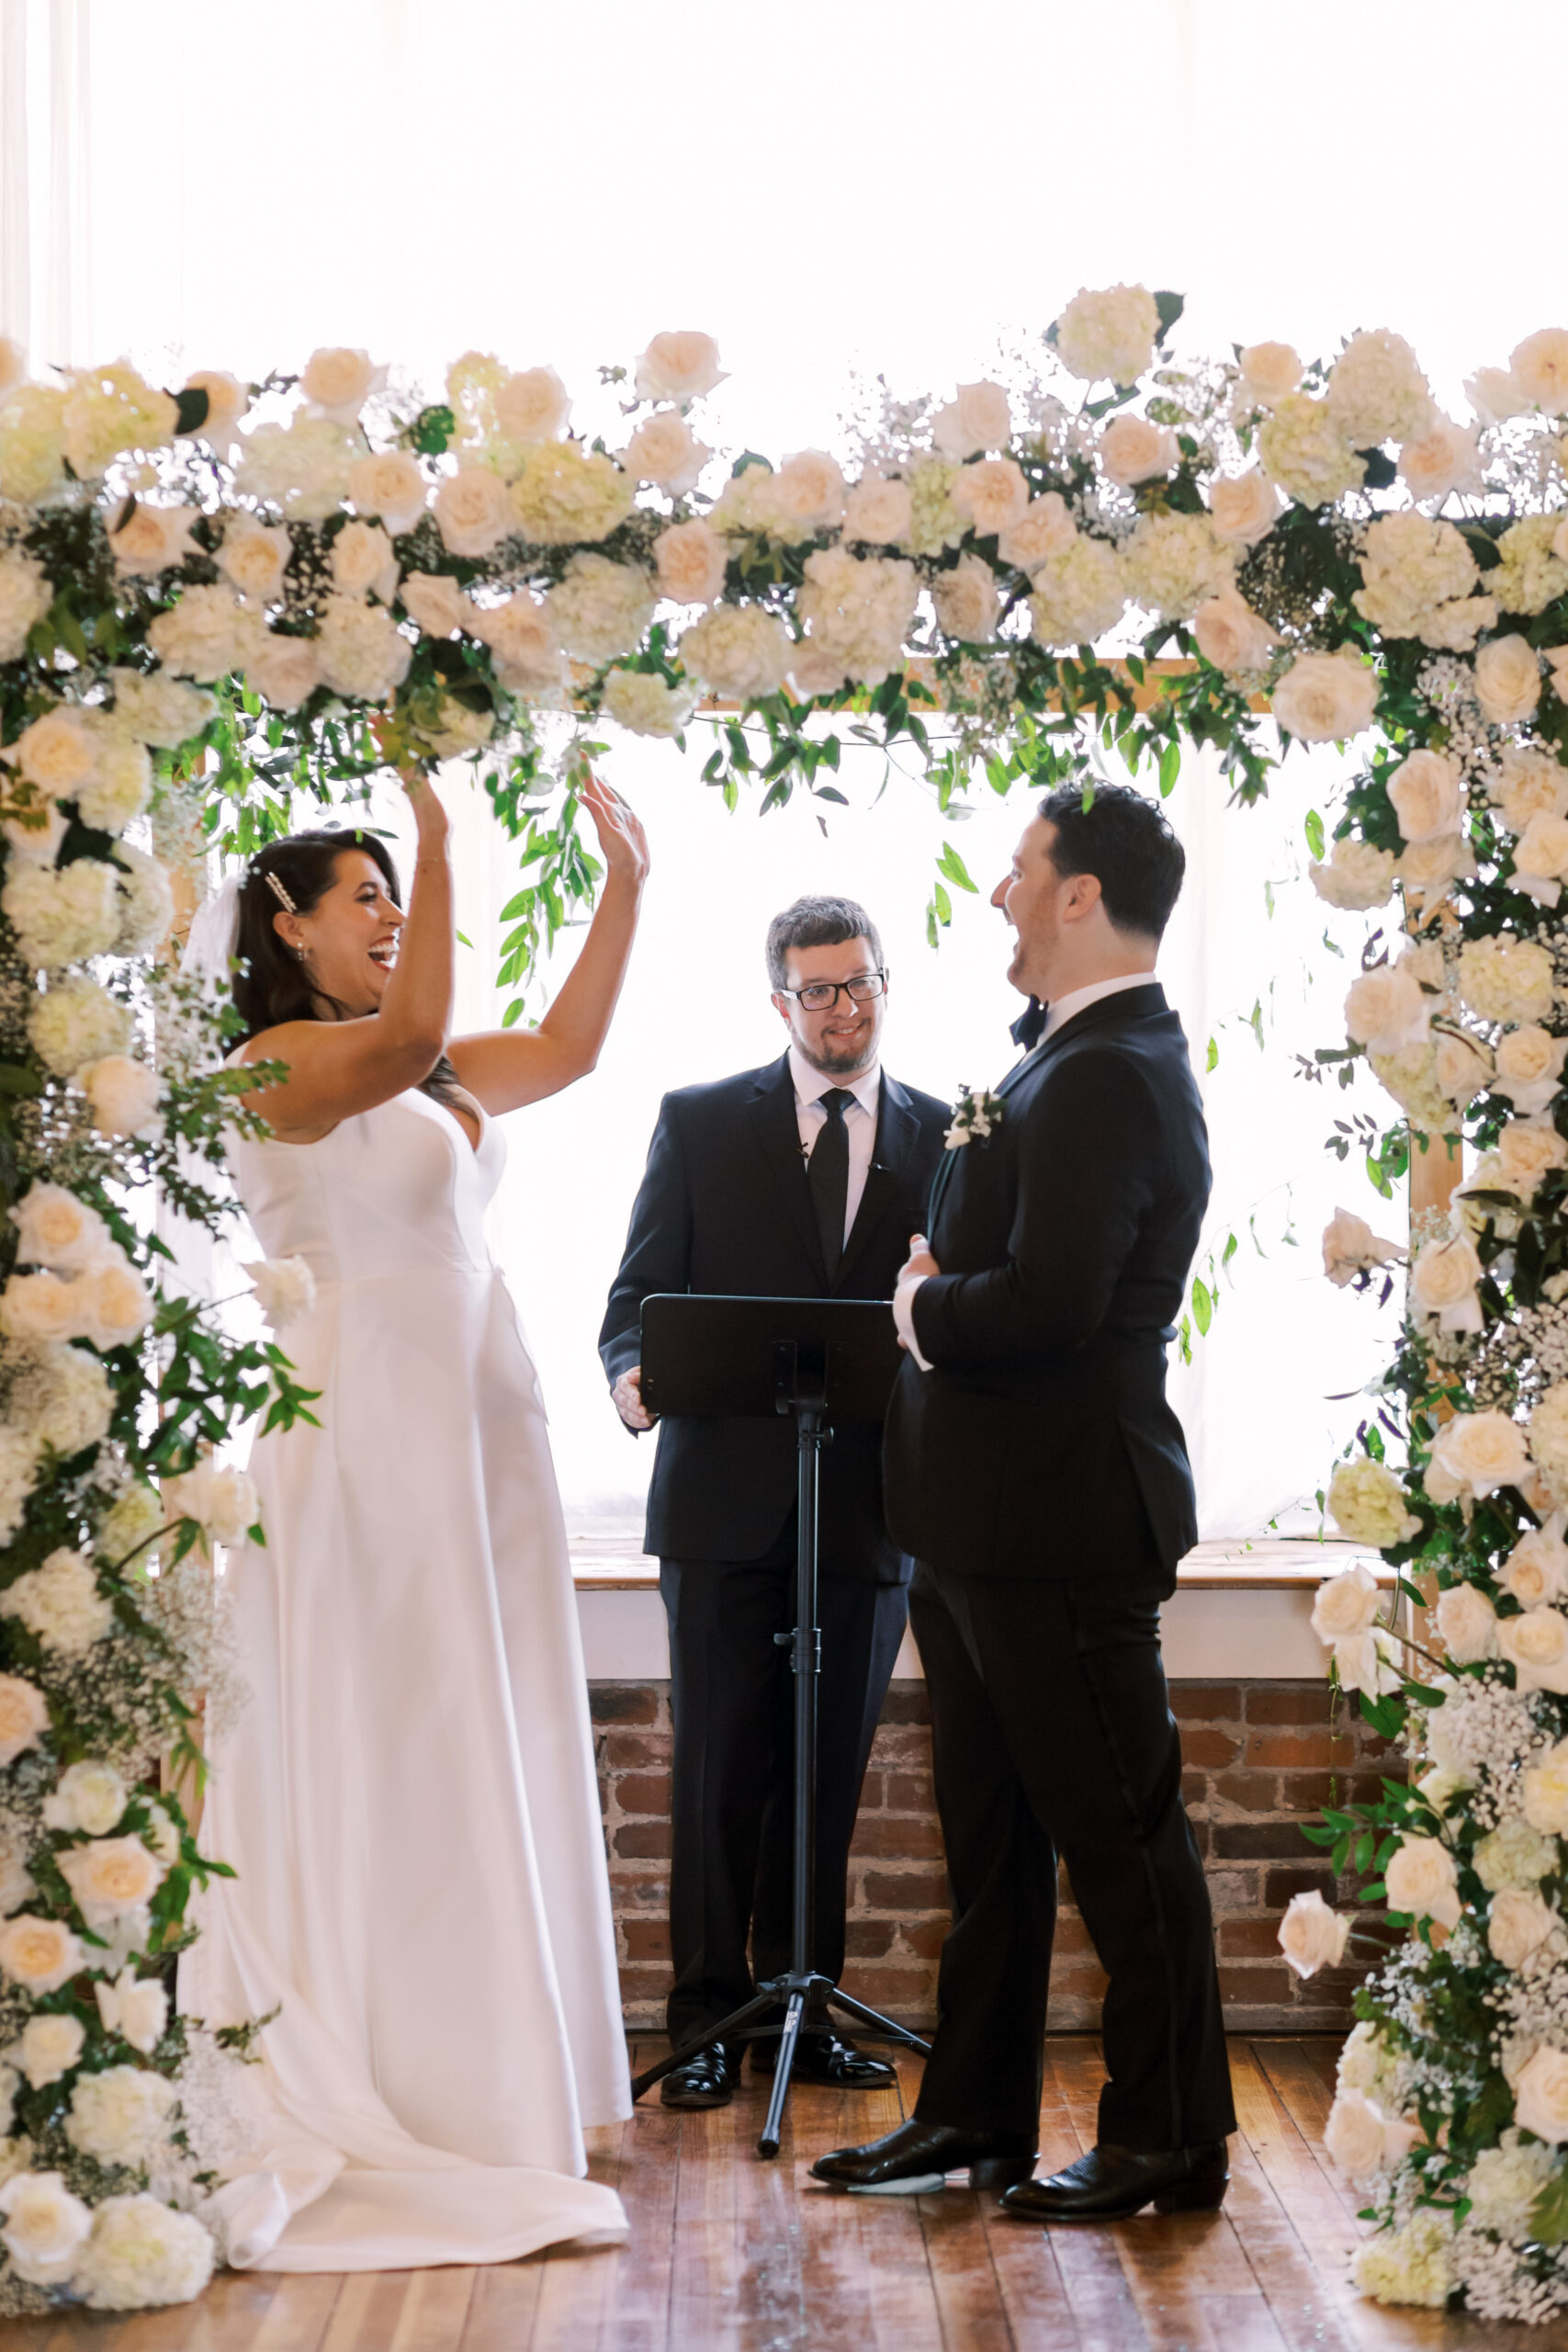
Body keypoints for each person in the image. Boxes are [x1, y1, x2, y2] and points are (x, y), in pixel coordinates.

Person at [179, 769, 649, 2271]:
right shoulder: (272, 1063)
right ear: (285, 925)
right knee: (389, 1721)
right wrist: (442, 839)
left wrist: (625, 886)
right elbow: (410, 1038)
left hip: (469, 1423)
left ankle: (483, 2077)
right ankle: (388, 2071)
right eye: (363, 898)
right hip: (362, 1423)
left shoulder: (419, 1074)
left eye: (397, 894)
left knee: (474, 1718)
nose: (388, 918)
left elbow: (568, 1053)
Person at [812, 785, 1236, 2219]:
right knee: (991, 1850)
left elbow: (1058, 1307)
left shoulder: (1117, 1069)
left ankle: (1169, 2132)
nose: (997, 891)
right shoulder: (1063, 1059)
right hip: (975, 1525)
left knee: (1123, 1841)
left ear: (1077, 895)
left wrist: (927, 1307)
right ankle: (974, 2118)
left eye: (1018, 870)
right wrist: (946, 1279)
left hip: (1062, 1524)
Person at [599, 897, 948, 2109]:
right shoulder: (698, 1123)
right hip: (720, 1509)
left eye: (862, 984)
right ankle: (704, 2019)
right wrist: (630, 1376)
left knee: (825, 1775)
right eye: (820, 991)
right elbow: (636, 1299)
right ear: (778, 1003)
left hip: (869, 1515)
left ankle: (806, 2000)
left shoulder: (949, 1136)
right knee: (719, 1771)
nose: (845, 1009)